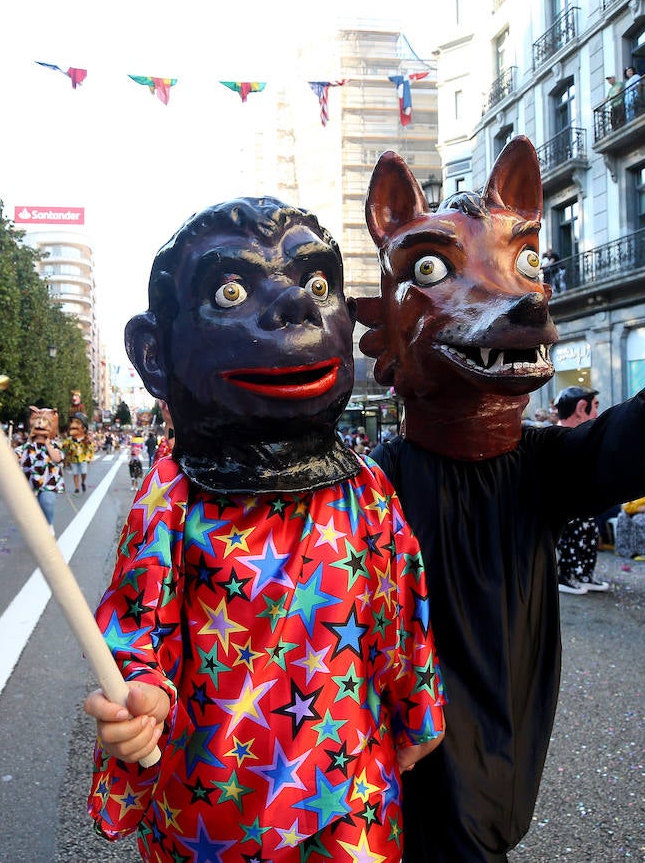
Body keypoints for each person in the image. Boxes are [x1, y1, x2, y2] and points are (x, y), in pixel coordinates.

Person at [355, 142, 645, 861]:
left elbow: (614, 450)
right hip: (401, 727)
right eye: (433, 270)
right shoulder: (376, 484)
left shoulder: (538, 466)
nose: (517, 291)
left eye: (527, 264)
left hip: (504, 720)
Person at [84, 196, 445, 861]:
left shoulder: (364, 486)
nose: (297, 306)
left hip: (351, 789)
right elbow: (140, 623)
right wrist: (138, 694)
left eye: (315, 284)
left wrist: (417, 706)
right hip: (215, 803)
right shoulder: (172, 496)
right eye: (229, 291)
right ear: (154, 355)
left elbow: (401, 612)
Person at [553, 387, 613, 594]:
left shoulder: (581, 437)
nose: (596, 413)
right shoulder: (557, 437)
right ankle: (567, 575)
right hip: (565, 502)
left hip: (583, 500)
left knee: (589, 533)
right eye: (594, 406)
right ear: (580, 408)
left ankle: (584, 573)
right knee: (570, 535)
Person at [18, 407, 63, 529]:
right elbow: (15, 456)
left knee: (47, 502)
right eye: (38, 420)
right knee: (34, 510)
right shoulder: (26, 446)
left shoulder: (54, 445)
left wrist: (48, 445)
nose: (40, 424)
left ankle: (49, 525)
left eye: (44, 421)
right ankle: (38, 528)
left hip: (48, 483)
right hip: (30, 484)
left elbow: (57, 458)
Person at [63, 415, 94, 493]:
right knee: (75, 473)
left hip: (83, 458)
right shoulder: (69, 439)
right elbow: (63, 446)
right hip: (73, 459)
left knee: (84, 472)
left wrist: (89, 457)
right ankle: (77, 488)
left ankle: (83, 482)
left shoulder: (86, 439)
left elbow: (91, 448)